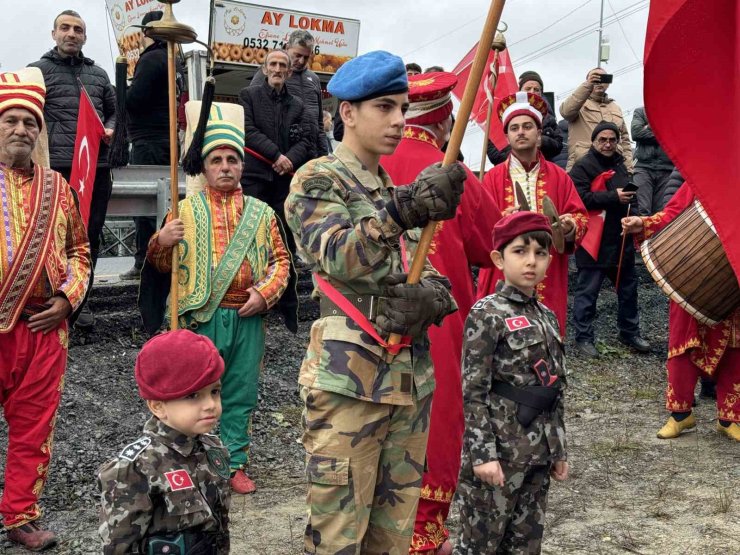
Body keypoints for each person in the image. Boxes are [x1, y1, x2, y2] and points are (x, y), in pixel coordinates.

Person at [285, 50, 464, 554]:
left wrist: (432, 299)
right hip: (349, 385)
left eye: (403, 108)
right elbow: (338, 254)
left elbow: (431, 272)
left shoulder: (388, 187)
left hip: (409, 383)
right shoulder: (317, 179)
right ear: (348, 113)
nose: (399, 120)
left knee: (392, 535)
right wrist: (404, 208)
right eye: (384, 107)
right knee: (339, 536)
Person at [380, 71, 500, 555]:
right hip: (440, 317)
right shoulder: (455, 172)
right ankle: (425, 533)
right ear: (446, 119)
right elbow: (491, 244)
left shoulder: (369, 162)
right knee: (439, 409)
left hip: (373, 315)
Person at [143, 106, 291, 494]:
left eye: (232, 160)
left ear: (241, 167)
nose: (225, 167)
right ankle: (189, 463)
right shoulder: (184, 211)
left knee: (239, 393)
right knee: (193, 393)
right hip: (200, 318)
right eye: (216, 160)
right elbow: (160, 266)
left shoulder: (263, 214)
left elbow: (281, 262)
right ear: (204, 168)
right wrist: (161, 242)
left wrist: (265, 294)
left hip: (247, 316)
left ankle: (232, 463)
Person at [0, 69, 91, 550]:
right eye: (11, 120)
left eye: (29, 122)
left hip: (42, 328)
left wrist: (65, 300)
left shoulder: (59, 188)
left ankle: (21, 516)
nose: (21, 130)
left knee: (34, 427)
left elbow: (80, 251)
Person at [455, 211, 568, 555]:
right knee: (480, 544)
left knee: (525, 544)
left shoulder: (546, 316)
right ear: (498, 259)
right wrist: (482, 456)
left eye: (540, 252)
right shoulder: (486, 313)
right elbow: (473, 391)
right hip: (499, 455)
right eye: (520, 251)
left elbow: (555, 389)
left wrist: (559, 449)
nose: (531, 261)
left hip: (536, 454)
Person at [623, 184, 740, 441]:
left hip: (733, 280)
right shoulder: (703, 174)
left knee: (735, 349)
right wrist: (642, 223)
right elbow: (672, 213)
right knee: (682, 345)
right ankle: (680, 414)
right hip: (692, 272)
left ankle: (729, 418)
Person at [98, 330, 231, 553]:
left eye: (215, 392)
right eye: (193, 396)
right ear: (158, 406)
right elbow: (119, 546)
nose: (210, 404)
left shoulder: (213, 448)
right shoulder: (135, 468)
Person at [28, 9, 116, 328]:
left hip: (95, 171)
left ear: (85, 37)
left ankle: (79, 304)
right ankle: (47, 302)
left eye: (77, 29)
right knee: (51, 240)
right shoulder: (36, 72)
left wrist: (111, 128)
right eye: (64, 28)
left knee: (87, 239)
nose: (71, 34)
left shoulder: (100, 75)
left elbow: (115, 113)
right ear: (54, 34)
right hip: (55, 171)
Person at [477, 91, 588, 334]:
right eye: (514, 128)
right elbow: (478, 229)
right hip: (503, 271)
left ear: (538, 134)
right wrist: (500, 220)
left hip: (547, 268)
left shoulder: (560, 177)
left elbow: (580, 217)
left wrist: (569, 227)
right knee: (501, 337)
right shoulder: (492, 178)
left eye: (527, 126)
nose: (520, 132)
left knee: (545, 337)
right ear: (507, 136)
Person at [240, 48, 312, 333]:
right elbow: (247, 130)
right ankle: (248, 296)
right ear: (265, 68)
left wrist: (290, 160)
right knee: (252, 237)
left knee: (284, 240)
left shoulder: (298, 104)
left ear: (289, 70)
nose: (279, 69)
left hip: (285, 180)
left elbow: (306, 138)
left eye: (283, 64)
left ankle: (285, 304)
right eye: (274, 64)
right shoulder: (249, 96)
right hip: (256, 177)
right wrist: (275, 156)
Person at [570, 121, 649, 357]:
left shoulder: (620, 164)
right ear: (594, 141)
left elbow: (631, 196)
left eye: (612, 140)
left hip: (620, 238)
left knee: (628, 289)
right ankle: (583, 338)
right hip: (593, 242)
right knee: (588, 292)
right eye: (602, 139)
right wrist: (612, 197)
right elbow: (579, 199)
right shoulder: (582, 167)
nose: (607, 144)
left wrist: (634, 218)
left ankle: (629, 331)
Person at [120, 10, 172, 281]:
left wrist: (123, 89)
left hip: (147, 140)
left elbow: (136, 100)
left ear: (145, 33)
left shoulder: (150, 60)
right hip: (166, 139)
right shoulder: (173, 58)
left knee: (144, 206)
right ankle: (162, 259)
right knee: (165, 203)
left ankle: (144, 262)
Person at [250, 30, 328, 157]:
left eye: (306, 57)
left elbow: (319, 123)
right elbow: (254, 115)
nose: (302, 61)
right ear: (287, 48)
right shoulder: (270, 74)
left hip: (311, 155)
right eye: (297, 55)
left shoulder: (314, 79)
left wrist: (324, 155)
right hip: (282, 156)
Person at [559, 67, 632, 172]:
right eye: (594, 78)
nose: (599, 82)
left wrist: (628, 170)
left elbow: (625, 140)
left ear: (608, 82)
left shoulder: (616, 108)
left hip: (613, 168)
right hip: (582, 167)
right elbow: (566, 112)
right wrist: (587, 85)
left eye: (603, 78)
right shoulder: (579, 104)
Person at [486, 71, 563, 165]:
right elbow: (493, 152)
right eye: (528, 88)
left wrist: (541, 141)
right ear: (519, 91)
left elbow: (558, 145)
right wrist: (518, 151)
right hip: (508, 171)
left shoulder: (548, 117)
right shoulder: (504, 114)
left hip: (542, 170)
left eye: (536, 89)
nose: (532, 92)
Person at [631, 106, 675, 216]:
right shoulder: (640, 111)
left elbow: (676, 135)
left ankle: (657, 234)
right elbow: (636, 133)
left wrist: (648, 127)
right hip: (643, 168)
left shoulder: (675, 113)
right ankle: (639, 233)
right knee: (642, 210)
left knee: (661, 212)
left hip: (667, 169)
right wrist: (663, 130)